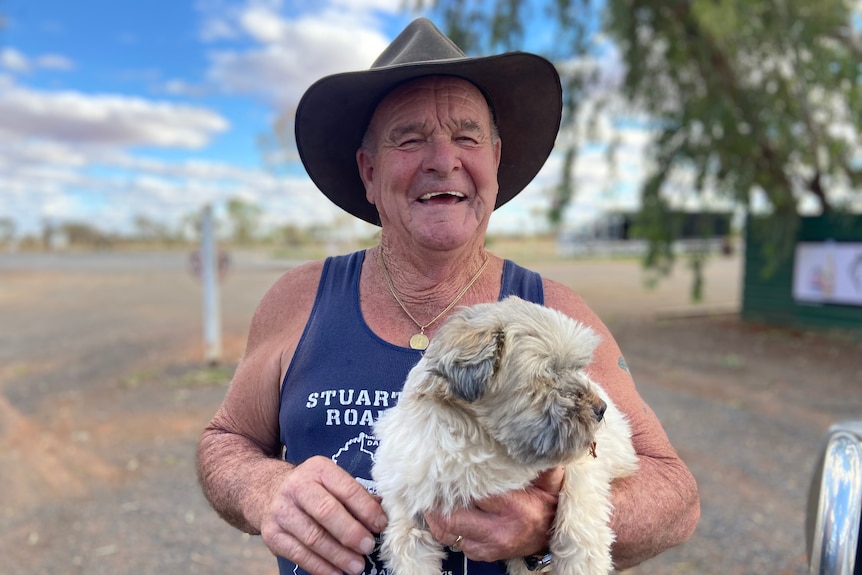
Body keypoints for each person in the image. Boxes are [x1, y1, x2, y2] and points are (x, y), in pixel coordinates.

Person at [197, 17, 699, 575]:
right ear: (369, 171)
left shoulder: (554, 312)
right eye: (409, 138)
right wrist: (265, 490)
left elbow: (675, 497)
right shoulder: (299, 298)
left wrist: (546, 524)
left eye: (467, 136)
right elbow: (227, 440)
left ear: (495, 161)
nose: (443, 158)